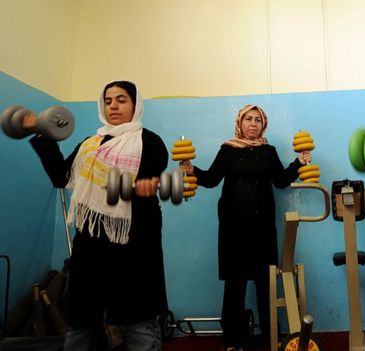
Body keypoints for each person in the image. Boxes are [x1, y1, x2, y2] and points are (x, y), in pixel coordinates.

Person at [28, 80, 169, 351]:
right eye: (108, 100)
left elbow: (146, 180)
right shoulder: (89, 144)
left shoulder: (149, 142)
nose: (113, 105)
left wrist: (145, 184)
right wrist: (43, 135)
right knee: (81, 319)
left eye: (121, 99)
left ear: (135, 104)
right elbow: (60, 176)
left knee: (139, 321)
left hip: (135, 242)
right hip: (91, 242)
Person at [180, 105, 310, 351]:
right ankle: (231, 341)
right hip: (233, 226)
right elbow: (210, 180)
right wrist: (191, 170)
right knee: (235, 284)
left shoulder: (269, 152)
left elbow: (281, 181)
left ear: (263, 125)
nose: (253, 123)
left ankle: (271, 338)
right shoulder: (227, 150)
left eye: (258, 120)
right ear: (240, 123)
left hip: (262, 227)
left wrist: (298, 163)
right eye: (248, 119)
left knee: (266, 282)